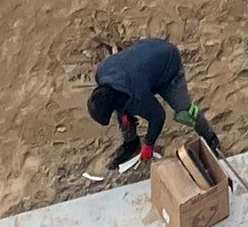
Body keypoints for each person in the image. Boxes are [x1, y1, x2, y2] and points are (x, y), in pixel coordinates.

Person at [87, 38, 223, 171]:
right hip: (146, 57)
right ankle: (131, 143)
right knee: (122, 112)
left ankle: (210, 138)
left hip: (169, 66)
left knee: (185, 112)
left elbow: (158, 116)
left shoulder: (137, 94)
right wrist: (123, 114)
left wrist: (149, 143)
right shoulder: (101, 73)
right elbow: (116, 97)